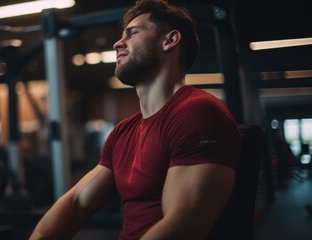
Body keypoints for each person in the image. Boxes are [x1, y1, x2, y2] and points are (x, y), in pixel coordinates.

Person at [30, 0, 240, 239]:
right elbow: (76, 202)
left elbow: (182, 228)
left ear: (169, 40)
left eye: (133, 33)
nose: (118, 43)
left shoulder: (197, 113)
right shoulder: (123, 132)